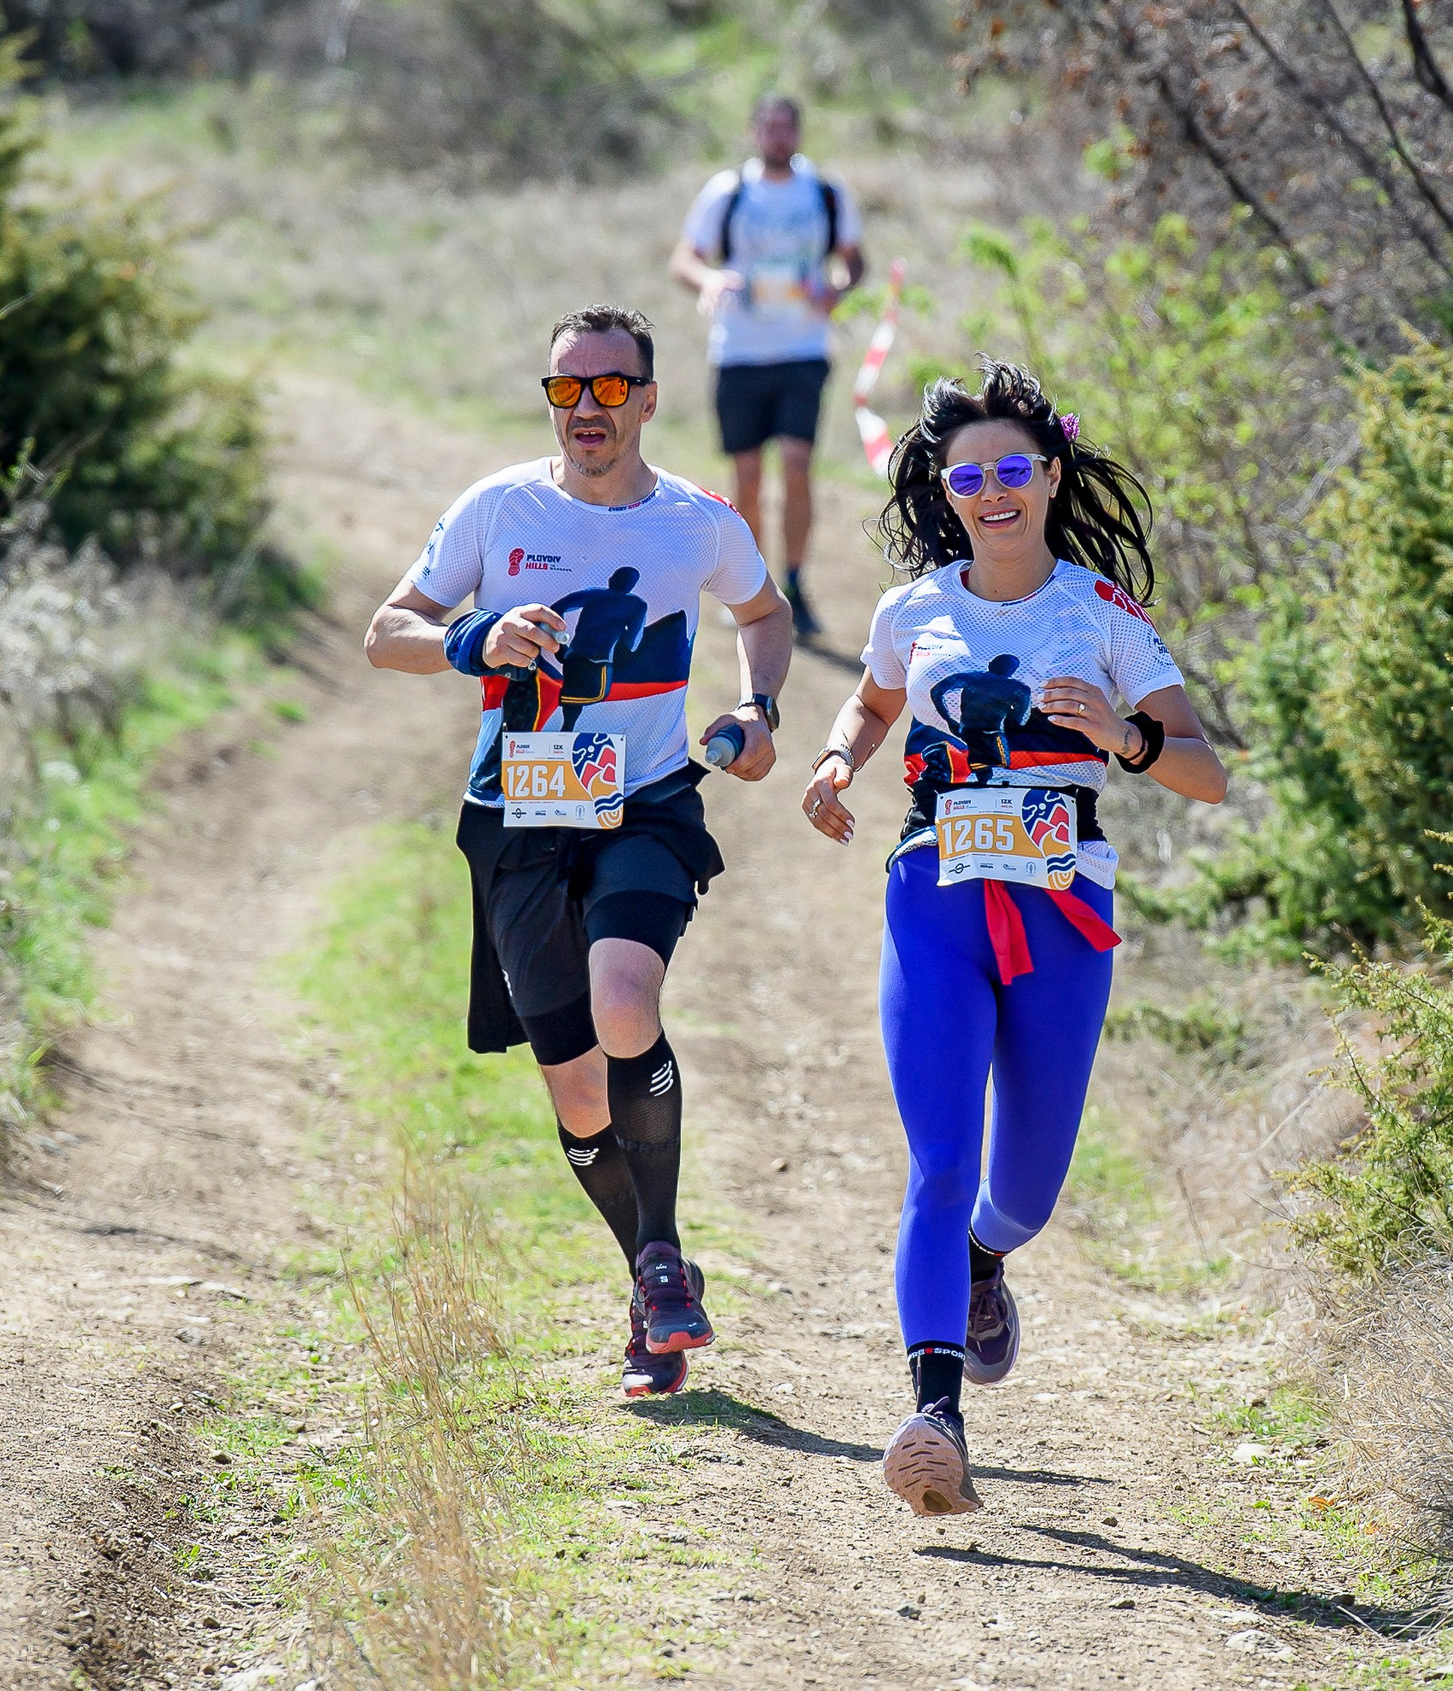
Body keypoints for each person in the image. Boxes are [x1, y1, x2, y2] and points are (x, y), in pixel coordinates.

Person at [797, 359, 1227, 1516]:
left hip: (1062, 906)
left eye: (1010, 471)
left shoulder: (1100, 612)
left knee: (1023, 1190)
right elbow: (875, 701)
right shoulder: (912, 609)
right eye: (966, 476)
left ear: (1049, 476)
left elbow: (1207, 775)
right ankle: (933, 1415)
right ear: (943, 491)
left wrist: (1127, 740)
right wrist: (838, 758)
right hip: (934, 891)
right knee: (939, 1163)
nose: (990, 492)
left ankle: (987, 1257)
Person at [366, 304, 794, 1399]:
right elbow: (386, 632)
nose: (586, 407)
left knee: (624, 1006)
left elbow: (764, 613)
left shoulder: (696, 521)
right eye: (567, 387)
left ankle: (661, 1264)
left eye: (609, 387)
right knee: (578, 1099)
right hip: (518, 817)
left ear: (648, 398)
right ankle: (653, 1275)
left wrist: (759, 708)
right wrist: (470, 637)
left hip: (643, 805)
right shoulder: (497, 507)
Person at [668, 94, 866, 640]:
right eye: (770, 127)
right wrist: (709, 280)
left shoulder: (825, 192)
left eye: (787, 127)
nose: (779, 136)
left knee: (798, 464)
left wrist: (836, 289)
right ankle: (751, 588)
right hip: (739, 352)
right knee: (748, 477)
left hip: (804, 349)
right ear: (755, 132)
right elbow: (684, 259)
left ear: (799, 133)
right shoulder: (728, 191)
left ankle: (796, 582)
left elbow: (854, 261)